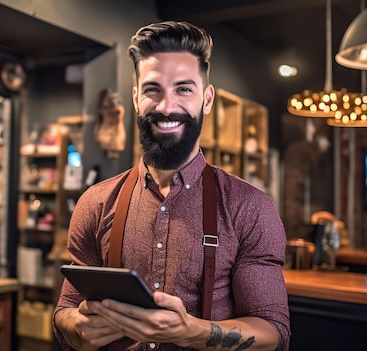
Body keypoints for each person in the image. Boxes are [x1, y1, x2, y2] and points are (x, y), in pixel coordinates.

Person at [54, 21, 290, 351]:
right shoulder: (95, 202)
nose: (166, 106)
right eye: (153, 90)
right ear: (136, 98)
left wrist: (191, 332)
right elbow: (65, 310)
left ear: (206, 100)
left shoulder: (248, 206)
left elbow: (273, 332)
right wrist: (77, 328)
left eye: (183, 89)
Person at [94, 89, 127, 159]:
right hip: (109, 132)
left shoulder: (117, 140)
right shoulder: (105, 139)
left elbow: (119, 111)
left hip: (115, 133)